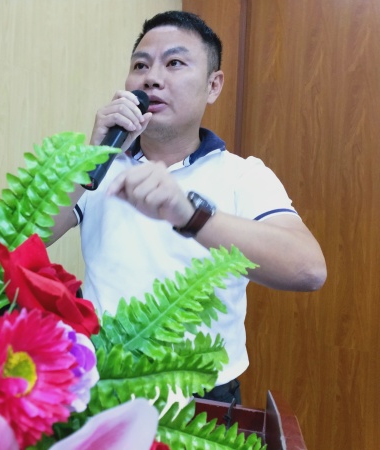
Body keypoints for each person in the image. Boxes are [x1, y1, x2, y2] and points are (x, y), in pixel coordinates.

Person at [48, 10, 326, 404]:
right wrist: (91, 158)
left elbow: (309, 270)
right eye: (140, 65)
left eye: (174, 63)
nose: (152, 78)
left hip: (203, 402)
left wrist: (190, 215)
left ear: (213, 85)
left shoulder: (243, 176)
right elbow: (20, 240)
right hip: (100, 388)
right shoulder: (99, 168)